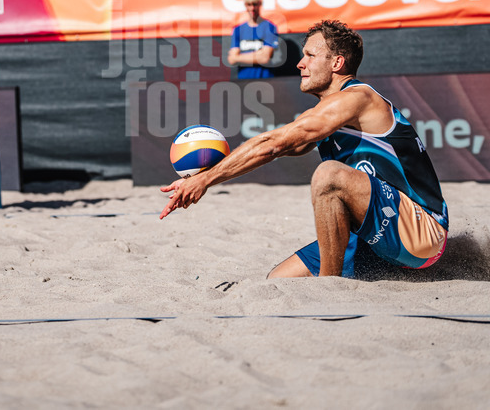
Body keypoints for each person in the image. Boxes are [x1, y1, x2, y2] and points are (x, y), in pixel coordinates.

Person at [161, 19, 449, 281]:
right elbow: (279, 146)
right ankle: (337, 278)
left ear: (337, 63)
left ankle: (329, 290)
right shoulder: (326, 113)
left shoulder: (356, 98)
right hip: (374, 233)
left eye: (310, 56)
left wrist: (205, 179)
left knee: (328, 175)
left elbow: (273, 145)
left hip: (422, 232)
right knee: (278, 281)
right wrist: (205, 175)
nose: (300, 63)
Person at [227, 0, 279, 79]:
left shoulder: (270, 27)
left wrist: (238, 57)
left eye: (255, 4)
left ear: (260, 4)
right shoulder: (238, 30)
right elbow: (232, 59)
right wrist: (259, 53)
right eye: (249, 4)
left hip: (266, 81)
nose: (252, 8)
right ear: (245, 5)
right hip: (243, 82)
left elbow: (265, 58)